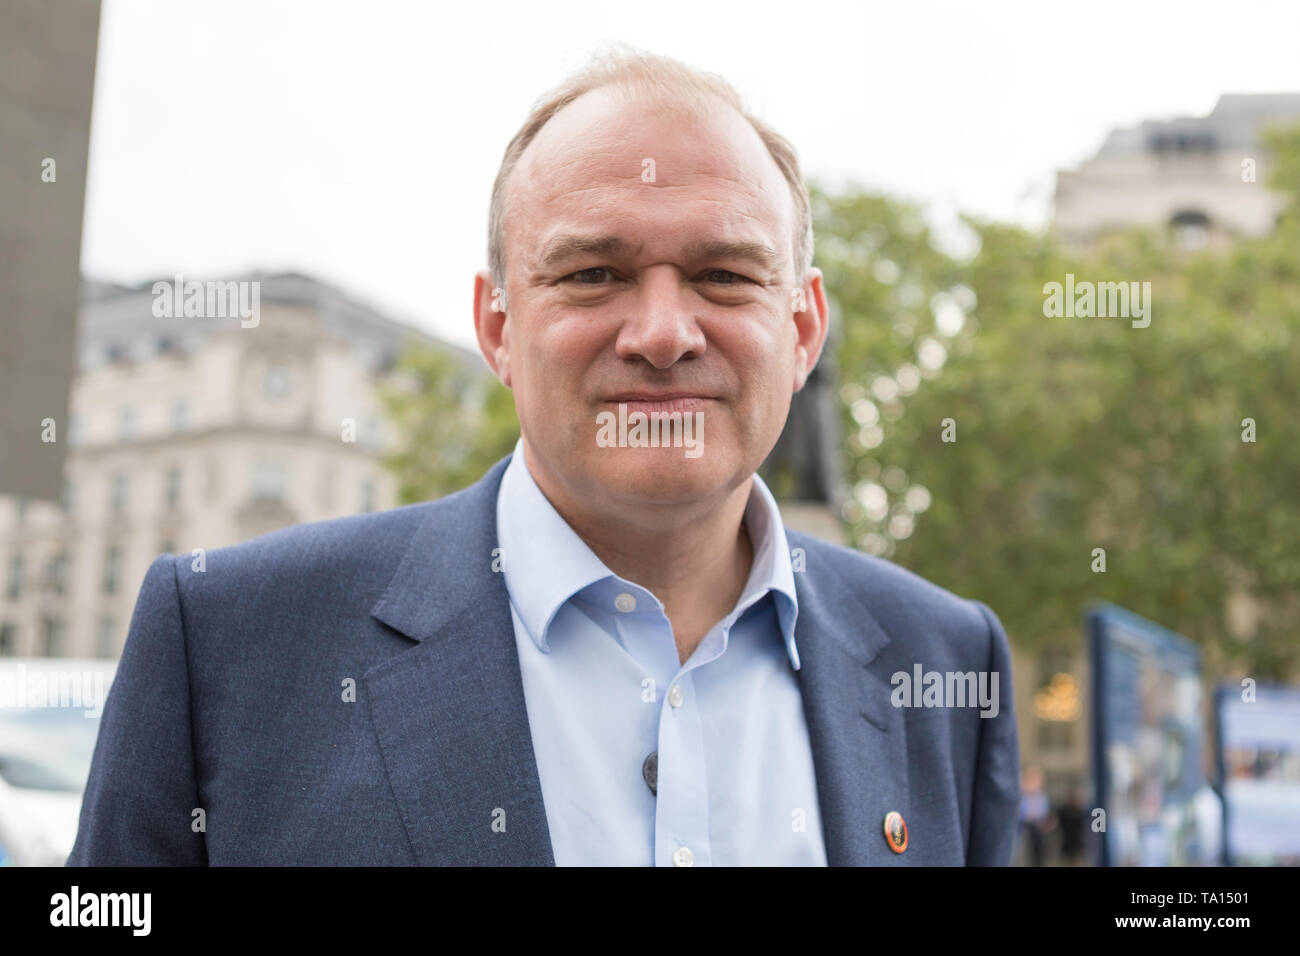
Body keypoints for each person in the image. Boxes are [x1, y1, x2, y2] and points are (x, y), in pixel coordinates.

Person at [68, 46, 1019, 867]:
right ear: (497, 326)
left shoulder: (947, 665)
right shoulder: (229, 642)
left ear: (804, 330)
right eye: (593, 274)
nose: (660, 332)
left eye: (723, 275)